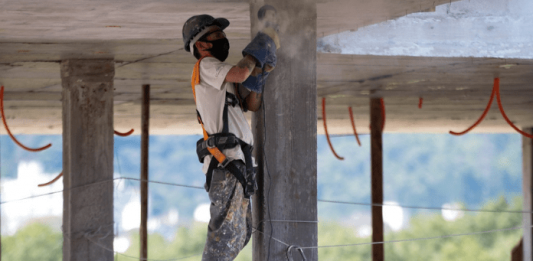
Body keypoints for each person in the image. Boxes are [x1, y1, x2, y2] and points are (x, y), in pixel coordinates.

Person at [182, 13, 279, 261]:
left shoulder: (221, 79)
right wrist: (259, 47)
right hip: (226, 163)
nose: (224, 38)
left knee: (241, 231)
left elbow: (252, 104)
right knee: (225, 236)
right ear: (202, 45)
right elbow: (239, 73)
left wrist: (260, 74)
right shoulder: (206, 66)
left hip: (237, 162)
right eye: (217, 34)